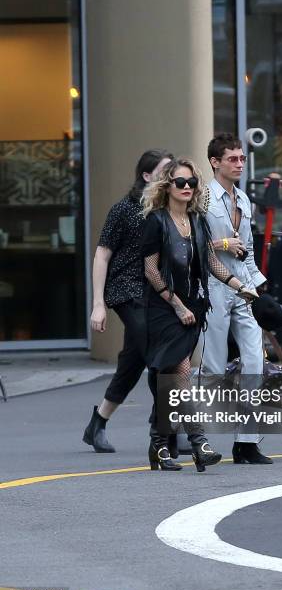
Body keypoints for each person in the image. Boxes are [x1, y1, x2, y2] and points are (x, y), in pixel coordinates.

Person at [141, 157, 255, 472]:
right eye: (181, 182)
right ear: (167, 186)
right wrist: (175, 303)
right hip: (165, 310)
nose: (187, 187)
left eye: (192, 183)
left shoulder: (197, 220)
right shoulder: (156, 221)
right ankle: (199, 444)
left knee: (170, 381)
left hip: (193, 308)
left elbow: (210, 263)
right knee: (181, 375)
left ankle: (158, 446)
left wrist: (237, 284)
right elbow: (150, 269)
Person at [83, 149, 174, 453]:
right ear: (147, 176)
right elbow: (102, 254)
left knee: (134, 361)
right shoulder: (124, 209)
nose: (172, 176)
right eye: (165, 171)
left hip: (156, 292)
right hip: (127, 290)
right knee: (158, 354)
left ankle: (97, 422)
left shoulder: (168, 209)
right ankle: (166, 430)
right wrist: (98, 303)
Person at [202, 132, 278, 464]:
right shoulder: (202, 198)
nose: (239, 164)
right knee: (213, 367)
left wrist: (258, 286)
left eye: (242, 158)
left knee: (254, 362)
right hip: (213, 287)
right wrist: (222, 245)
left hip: (242, 289)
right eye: (232, 158)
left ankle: (246, 442)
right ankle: (194, 435)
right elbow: (194, 247)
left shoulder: (244, 200)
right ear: (215, 162)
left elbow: (245, 250)